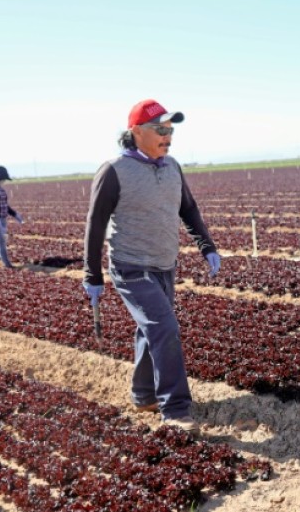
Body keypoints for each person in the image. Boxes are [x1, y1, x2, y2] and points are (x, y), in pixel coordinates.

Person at [82, 99, 221, 434]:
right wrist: (92, 273)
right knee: (164, 328)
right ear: (136, 132)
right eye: (160, 128)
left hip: (164, 265)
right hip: (131, 267)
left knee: (152, 329)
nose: (167, 135)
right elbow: (95, 222)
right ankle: (175, 410)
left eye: (170, 129)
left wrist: (207, 246)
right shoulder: (115, 170)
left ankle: (143, 394)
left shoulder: (172, 166)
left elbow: (188, 208)